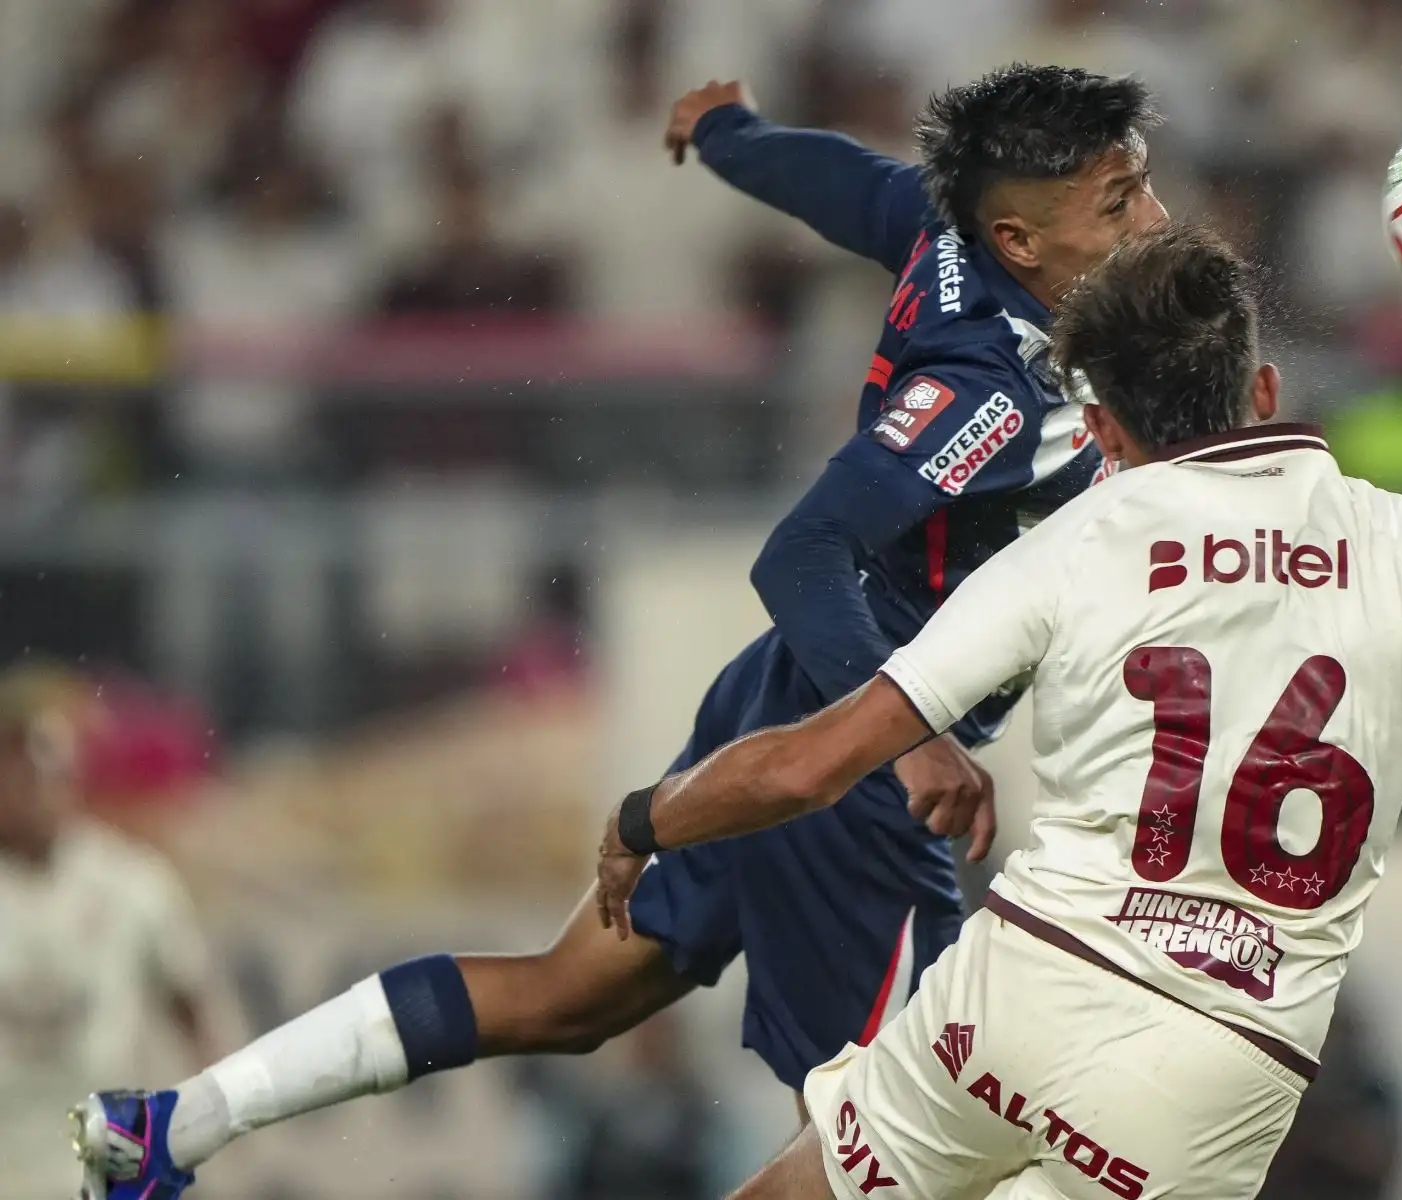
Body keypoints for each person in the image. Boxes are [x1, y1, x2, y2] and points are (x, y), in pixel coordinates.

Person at [72, 64, 1167, 1197]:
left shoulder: (952, 239)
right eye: (1120, 201)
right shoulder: (990, 390)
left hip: (783, 699)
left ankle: (173, 1125)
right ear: (1021, 241)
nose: (1155, 219)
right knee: (886, 1149)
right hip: (847, 767)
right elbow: (799, 553)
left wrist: (728, 131)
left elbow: (845, 185)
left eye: (1141, 187)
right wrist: (909, 740)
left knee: (568, 995)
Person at [590, 223, 1402, 1200]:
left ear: (1102, 432)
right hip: (1215, 1064)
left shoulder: (1073, 543)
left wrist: (649, 819)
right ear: (1263, 392)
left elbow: (810, 766)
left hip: (1022, 992)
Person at [0, 667, 217, 1199]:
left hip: (101, 1169)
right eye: (10, 766)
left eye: (36, 765)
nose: (24, 787)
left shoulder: (132, 883)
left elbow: (193, 1010)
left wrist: (212, 1127)